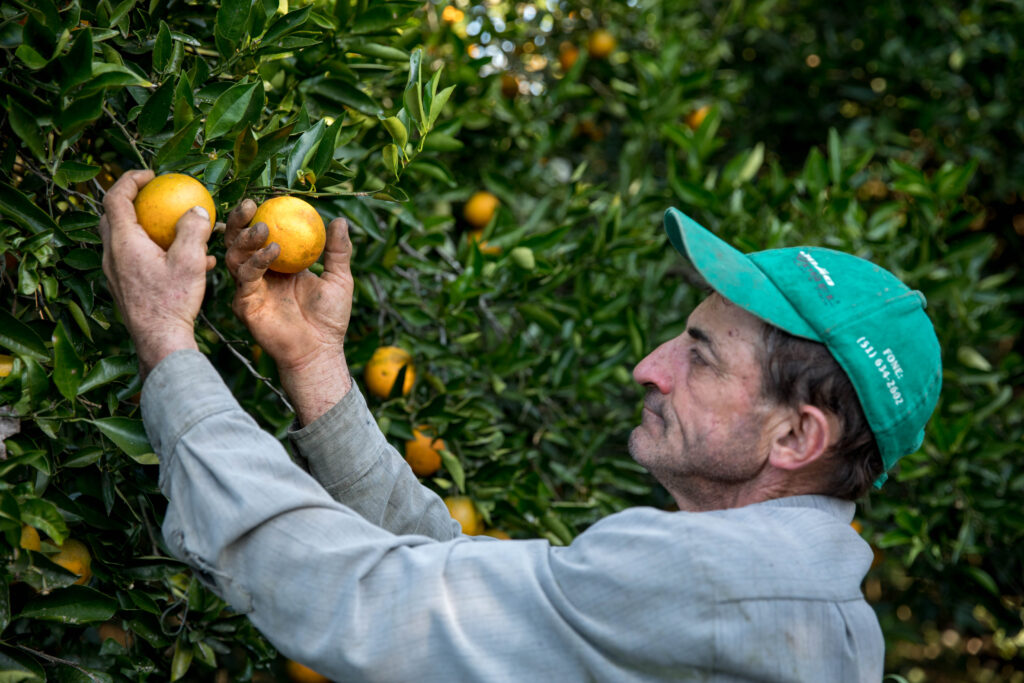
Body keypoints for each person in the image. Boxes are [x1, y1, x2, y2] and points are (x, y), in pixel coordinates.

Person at [99, 170, 941, 682]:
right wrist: (318, 369)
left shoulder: (710, 583)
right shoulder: (811, 603)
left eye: (702, 355)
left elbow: (376, 598)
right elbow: (458, 581)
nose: (651, 367)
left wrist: (168, 340)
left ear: (796, 438)